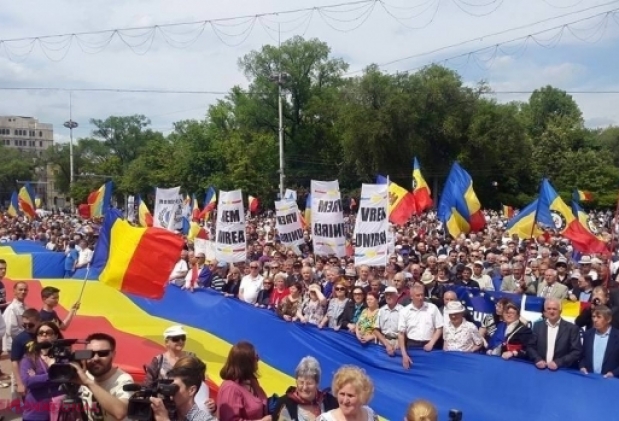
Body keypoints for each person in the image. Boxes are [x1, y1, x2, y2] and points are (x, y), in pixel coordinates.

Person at [71, 333, 135, 421]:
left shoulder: (123, 380)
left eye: (103, 353)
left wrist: (88, 382)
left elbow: (120, 413)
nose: (96, 358)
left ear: (113, 354)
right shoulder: (85, 375)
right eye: (90, 354)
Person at [19, 321, 64, 421]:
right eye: (40, 333)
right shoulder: (29, 359)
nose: (44, 335)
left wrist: (37, 378)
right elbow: (28, 382)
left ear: (56, 336)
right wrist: (54, 374)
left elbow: (67, 378)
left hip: (60, 412)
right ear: (37, 337)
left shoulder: (63, 357)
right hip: (35, 413)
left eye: (48, 332)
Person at [217, 341, 270, 421]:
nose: (259, 360)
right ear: (246, 363)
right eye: (256, 357)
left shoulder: (252, 381)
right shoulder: (230, 389)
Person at [273, 356, 338, 421]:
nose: (305, 388)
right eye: (301, 382)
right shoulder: (284, 403)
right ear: (296, 381)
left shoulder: (330, 401)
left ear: (317, 383)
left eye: (309, 383)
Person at [149, 366, 216, 421]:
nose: (171, 394)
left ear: (191, 390)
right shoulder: (165, 413)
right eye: (169, 387)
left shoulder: (207, 419)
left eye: (175, 388)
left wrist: (164, 419)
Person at [11, 309, 40, 397]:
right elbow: (15, 362)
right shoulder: (19, 339)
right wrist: (19, 383)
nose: (27, 327)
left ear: (39, 321)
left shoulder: (45, 335)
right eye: (24, 325)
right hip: (25, 376)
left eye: (30, 325)